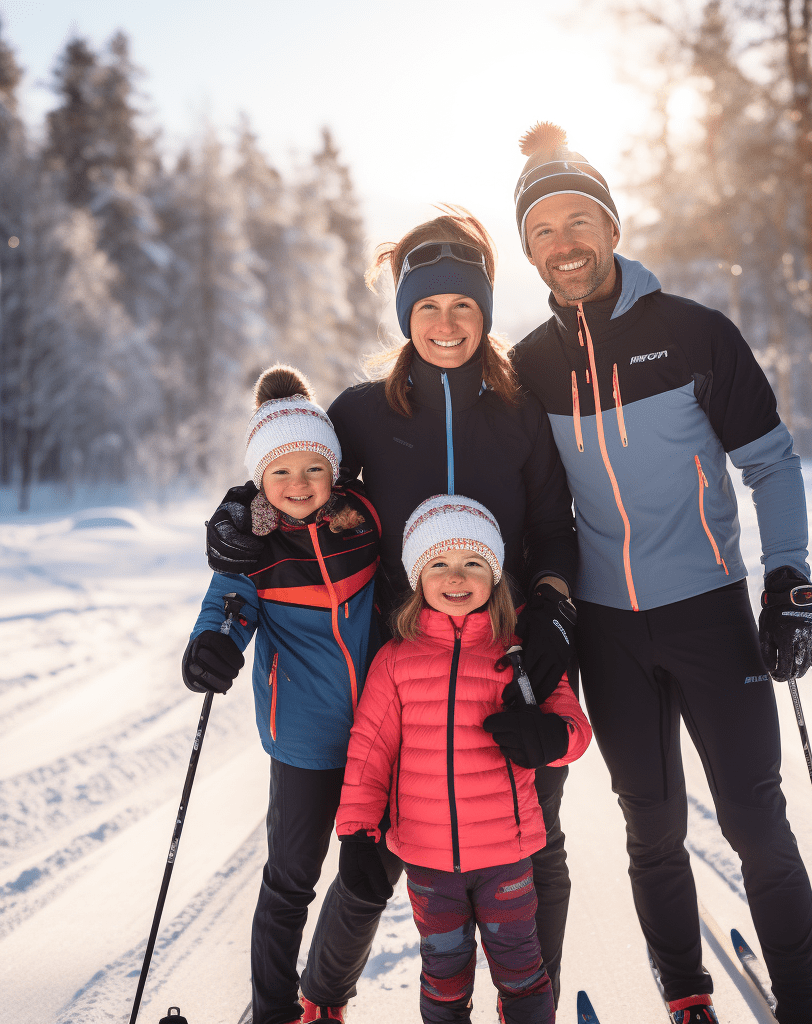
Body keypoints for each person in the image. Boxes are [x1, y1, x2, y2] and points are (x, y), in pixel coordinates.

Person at [204, 208, 580, 1018]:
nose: (447, 324)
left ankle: (531, 1003)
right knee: (374, 853)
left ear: (485, 311)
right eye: (428, 308)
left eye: (464, 306)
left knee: (533, 844)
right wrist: (243, 513)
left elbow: (553, 524)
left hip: (508, 653)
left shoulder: (521, 410)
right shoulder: (365, 409)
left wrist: (551, 612)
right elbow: (299, 478)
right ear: (406, 317)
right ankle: (318, 1000)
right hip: (394, 662)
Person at [507, 122, 812, 1024]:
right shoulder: (529, 365)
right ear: (529, 252)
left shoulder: (693, 334)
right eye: (542, 231)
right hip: (609, 634)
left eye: (578, 221)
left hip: (711, 615)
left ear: (611, 228)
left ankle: (805, 1006)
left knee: (757, 826)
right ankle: (686, 995)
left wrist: (789, 578)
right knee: (651, 830)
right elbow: (515, 494)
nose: (563, 243)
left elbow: (770, 460)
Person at [335, 495, 592, 1024]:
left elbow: (574, 728)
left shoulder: (518, 654)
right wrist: (357, 835)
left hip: (507, 856)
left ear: (495, 576)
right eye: (440, 564)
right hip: (428, 863)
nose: (457, 577)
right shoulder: (396, 660)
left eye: (474, 563)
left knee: (522, 970)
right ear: (416, 577)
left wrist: (547, 737)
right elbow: (368, 752)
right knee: (443, 972)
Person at [183, 365, 382, 1024]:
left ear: (335, 471)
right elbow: (228, 604)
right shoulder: (255, 547)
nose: (299, 485)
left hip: (381, 736)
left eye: (313, 469)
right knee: (291, 880)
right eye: (280, 473)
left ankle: (325, 996)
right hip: (304, 740)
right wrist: (212, 644)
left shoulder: (365, 523)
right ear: (259, 480)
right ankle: (271, 1010)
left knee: (369, 878)